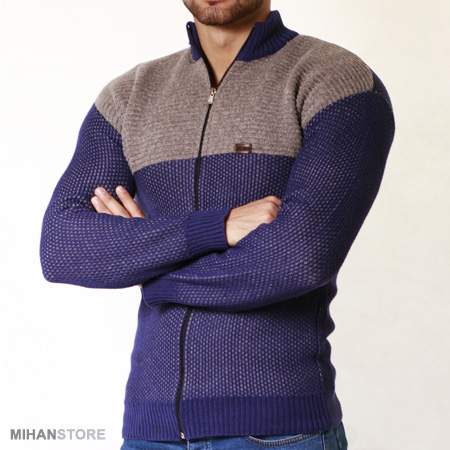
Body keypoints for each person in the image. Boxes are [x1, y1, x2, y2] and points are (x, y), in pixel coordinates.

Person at [40, 0, 395, 448]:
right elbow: (61, 247)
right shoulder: (128, 96)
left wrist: (149, 270)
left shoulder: (335, 80)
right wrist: (217, 227)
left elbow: (298, 260)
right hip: (151, 432)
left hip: (280, 431)